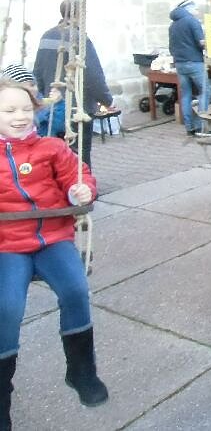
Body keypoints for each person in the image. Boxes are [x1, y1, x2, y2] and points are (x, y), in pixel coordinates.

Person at [0, 79, 109, 429]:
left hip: (52, 238)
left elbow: (79, 177)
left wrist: (81, 190)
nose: (20, 116)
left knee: (75, 289)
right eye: (9, 110)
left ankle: (81, 371)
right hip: (7, 245)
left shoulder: (51, 147)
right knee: (7, 307)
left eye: (26, 109)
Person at [33, 0, 114, 166]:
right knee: (79, 156)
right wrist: (107, 100)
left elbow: (38, 71)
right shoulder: (79, 38)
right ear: (79, 14)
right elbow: (93, 75)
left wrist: (43, 99)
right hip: (77, 108)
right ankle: (82, 182)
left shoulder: (46, 36)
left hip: (53, 106)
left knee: (56, 155)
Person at [168, 0, 211, 137]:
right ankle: (201, 127)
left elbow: (171, 47)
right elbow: (201, 42)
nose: (198, 11)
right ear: (189, 9)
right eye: (196, 8)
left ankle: (189, 128)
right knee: (205, 92)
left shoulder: (173, 25)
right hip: (194, 62)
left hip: (180, 64)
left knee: (186, 95)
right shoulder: (192, 21)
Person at [1, 63, 66, 139]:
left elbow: (59, 126)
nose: (30, 89)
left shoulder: (45, 105)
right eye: (23, 86)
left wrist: (59, 103)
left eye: (32, 85)